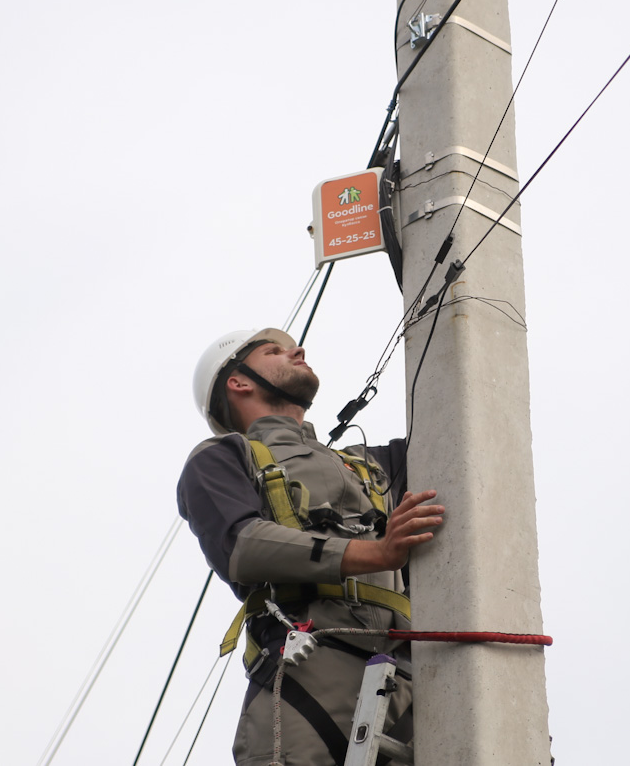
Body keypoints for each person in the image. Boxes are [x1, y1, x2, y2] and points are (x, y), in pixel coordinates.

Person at [178, 327, 443, 766]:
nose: (297, 350)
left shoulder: (368, 467)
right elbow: (243, 547)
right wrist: (377, 553)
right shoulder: (222, 457)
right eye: (274, 351)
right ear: (238, 381)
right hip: (308, 676)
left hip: (410, 679)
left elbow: (459, 430)